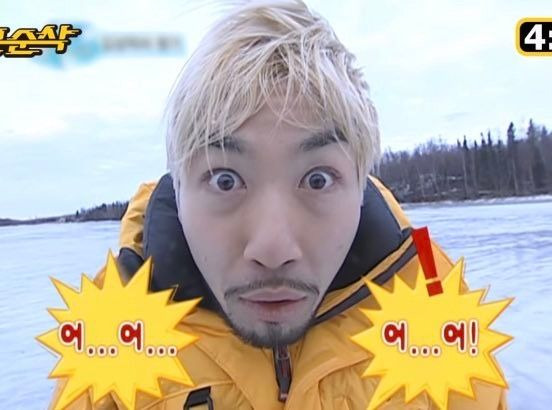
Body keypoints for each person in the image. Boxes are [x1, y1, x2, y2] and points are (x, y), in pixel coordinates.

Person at [50, 1, 509, 408]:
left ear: (361, 185)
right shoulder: (114, 340)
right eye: (225, 179)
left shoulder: (434, 310)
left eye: (317, 179)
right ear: (178, 189)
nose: (272, 249)